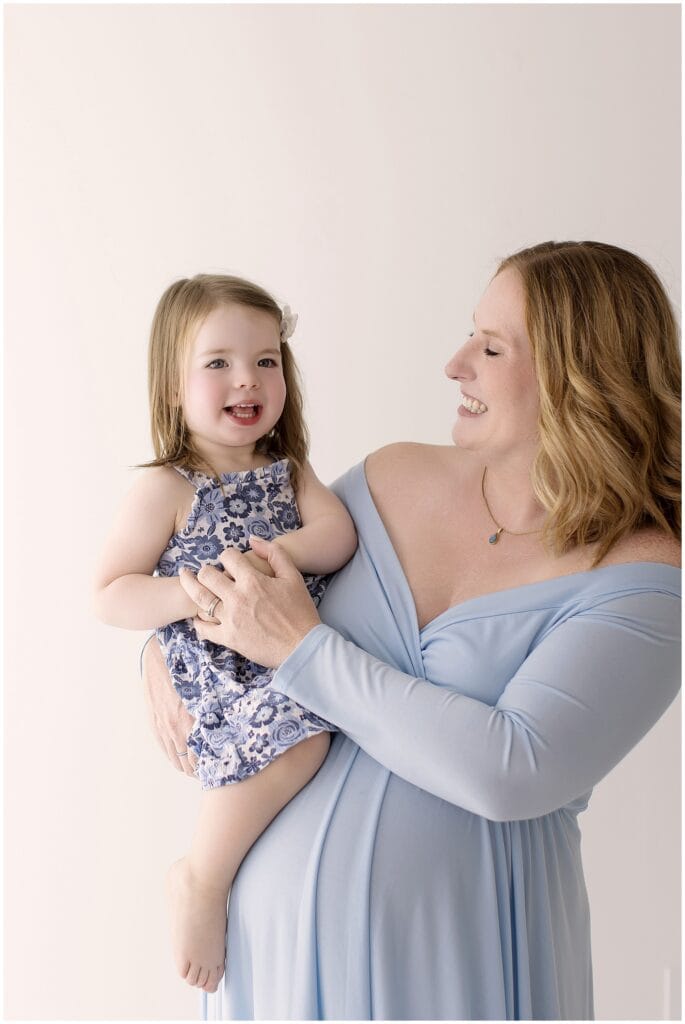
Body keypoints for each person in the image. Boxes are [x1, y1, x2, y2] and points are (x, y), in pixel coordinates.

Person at [143, 242, 681, 1018]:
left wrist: (303, 652)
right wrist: (157, 648)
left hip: (461, 962)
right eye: (471, 332)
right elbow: (234, 574)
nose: (456, 363)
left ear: (580, 376)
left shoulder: (646, 577)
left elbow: (512, 770)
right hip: (276, 957)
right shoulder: (388, 479)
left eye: (492, 347)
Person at [93, 274, 357, 994]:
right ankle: (201, 877)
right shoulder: (166, 486)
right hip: (220, 665)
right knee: (302, 738)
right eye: (218, 363)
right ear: (173, 387)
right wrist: (187, 589)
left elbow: (335, 536)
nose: (247, 379)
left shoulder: (287, 472)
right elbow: (110, 593)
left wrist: (275, 556)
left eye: (266, 360)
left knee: (317, 735)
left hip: (284, 647)